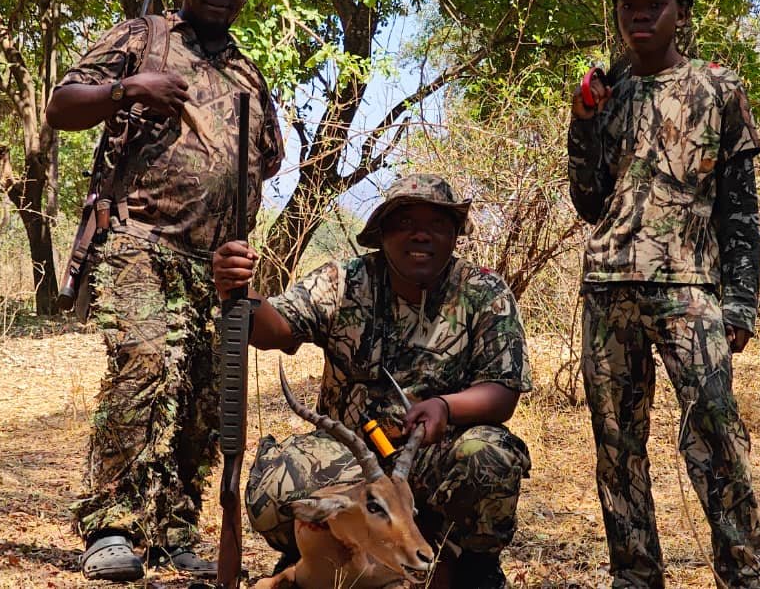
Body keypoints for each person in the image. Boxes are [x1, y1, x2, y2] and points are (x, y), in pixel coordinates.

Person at [46, 0, 283, 582]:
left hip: (216, 262)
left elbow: (266, 161)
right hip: (139, 239)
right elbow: (61, 105)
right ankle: (114, 524)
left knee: (205, 392)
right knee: (145, 361)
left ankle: (172, 524)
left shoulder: (249, 74)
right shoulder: (142, 38)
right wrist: (127, 89)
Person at [211, 173, 532, 589]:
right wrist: (235, 292)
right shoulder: (344, 281)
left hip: (433, 461)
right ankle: (325, 562)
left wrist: (446, 407)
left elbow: (502, 392)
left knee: (490, 454)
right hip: (352, 464)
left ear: (455, 235)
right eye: (405, 223)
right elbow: (275, 328)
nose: (421, 235)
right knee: (275, 486)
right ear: (381, 234)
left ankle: (464, 567)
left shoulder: (483, 290)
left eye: (437, 224)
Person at [567, 0, 760, 589]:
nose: (638, 11)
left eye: (653, 2)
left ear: (681, 12)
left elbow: (740, 208)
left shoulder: (718, 88)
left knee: (715, 431)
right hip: (609, 287)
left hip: (690, 289)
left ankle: (744, 572)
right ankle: (635, 575)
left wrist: (740, 302)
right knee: (617, 447)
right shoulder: (605, 93)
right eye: (628, 1)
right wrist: (580, 123)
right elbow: (587, 201)